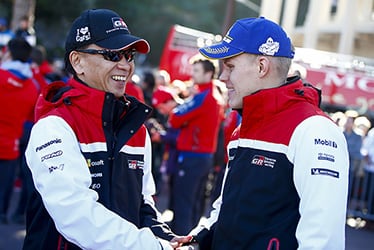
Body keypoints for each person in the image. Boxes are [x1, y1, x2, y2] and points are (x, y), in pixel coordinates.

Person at [23, 9, 190, 250]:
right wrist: (151, 247)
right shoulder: (54, 126)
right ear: (77, 62)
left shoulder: (136, 129)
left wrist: (163, 237)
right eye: (113, 55)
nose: (125, 65)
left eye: (129, 55)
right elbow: (76, 215)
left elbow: (143, 202)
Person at [187, 17, 349, 249]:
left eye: (230, 66)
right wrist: (197, 240)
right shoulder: (245, 126)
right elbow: (227, 207)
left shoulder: (315, 130)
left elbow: (323, 239)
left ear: (262, 66)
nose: (222, 77)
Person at [168, 59, 225, 235]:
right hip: (203, 156)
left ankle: (180, 242)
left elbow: (175, 118)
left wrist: (188, 99)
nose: (192, 75)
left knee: (184, 205)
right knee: (194, 205)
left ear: (208, 74)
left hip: (193, 156)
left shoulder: (204, 96)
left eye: (197, 71)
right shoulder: (212, 95)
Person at [0, 37, 39, 224]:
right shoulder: (32, 86)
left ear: (8, 53)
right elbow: (33, 116)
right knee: (6, 182)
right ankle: (3, 212)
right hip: (12, 143)